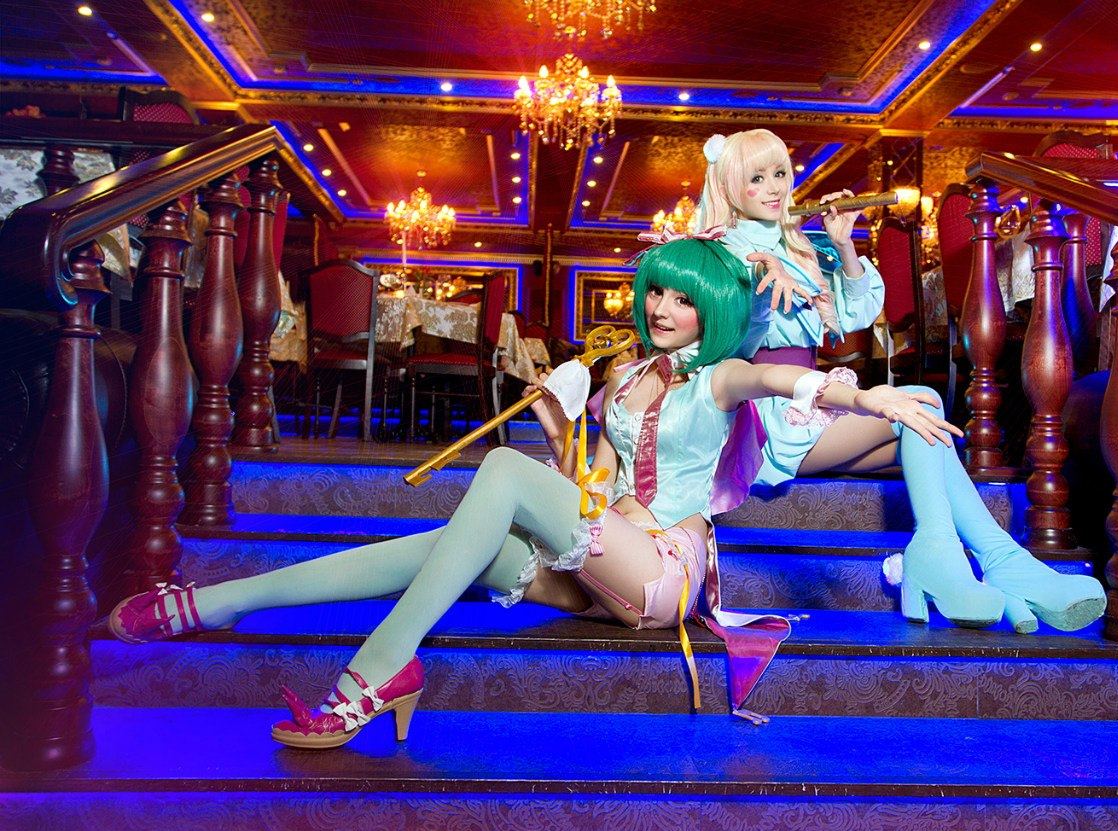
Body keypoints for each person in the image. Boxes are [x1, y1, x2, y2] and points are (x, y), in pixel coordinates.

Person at [107, 237, 957, 750]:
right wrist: (556, 429)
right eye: (657, 290)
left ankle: (377, 669)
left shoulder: (721, 376)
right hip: (608, 556)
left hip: (665, 570)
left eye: (683, 297)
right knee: (427, 551)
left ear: (713, 309)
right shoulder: (625, 379)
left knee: (504, 472)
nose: (663, 306)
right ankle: (215, 602)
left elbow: (783, 379)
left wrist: (868, 397)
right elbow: (597, 491)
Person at [694, 128, 1106, 634]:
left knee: (927, 432)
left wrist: (843, 246)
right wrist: (760, 292)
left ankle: (992, 563)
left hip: (809, 402)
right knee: (923, 403)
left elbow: (856, 316)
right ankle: (983, 561)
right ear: (728, 185)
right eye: (756, 178)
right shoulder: (717, 252)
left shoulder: (798, 245)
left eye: (780, 173)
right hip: (761, 416)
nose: (775, 187)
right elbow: (724, 342)